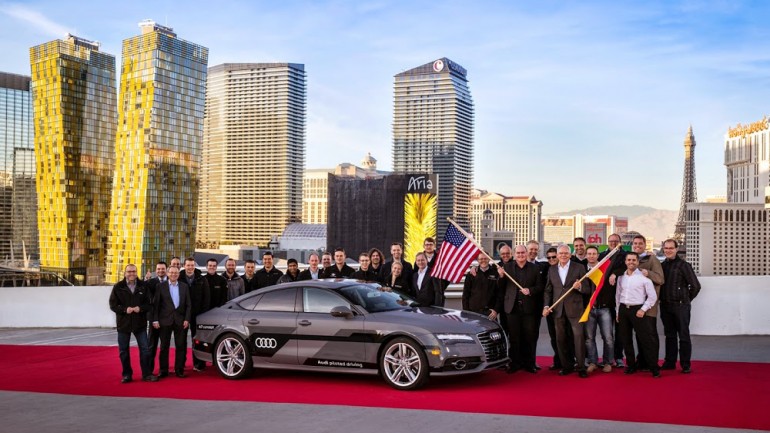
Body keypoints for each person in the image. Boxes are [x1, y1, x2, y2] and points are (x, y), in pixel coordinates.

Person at [543, 245, 591, 378]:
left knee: (578, 338)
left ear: (570, 255)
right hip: (558, 309)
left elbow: (587, 288)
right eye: (561, 253)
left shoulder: (579, 267)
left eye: (566, 253)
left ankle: (581, 367)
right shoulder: (552, 269)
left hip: (575, 309)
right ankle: (566, 366)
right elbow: (548, 290)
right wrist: (546, 306)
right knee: (560, 339)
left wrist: (580, 286)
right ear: (557, 255)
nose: (563, 255)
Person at [615, 252, 660, 378]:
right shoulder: (621, 278)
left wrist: (643, 309)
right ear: (625, 262)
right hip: (624, 310)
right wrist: (618, 311)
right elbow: (618, 296)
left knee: (645, 340)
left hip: (638, 310)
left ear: (638, 262)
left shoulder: (644, 278)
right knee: (626, 340)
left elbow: (652, 297)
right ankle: (631, 365)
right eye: (629, 260)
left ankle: (653, 367)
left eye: (634, 260)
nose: (631, 262)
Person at [109, 264, 156, 383]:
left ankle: (146, 374)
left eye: (134, 271)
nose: (131, 274)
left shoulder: (143, 286)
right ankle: (126, 375)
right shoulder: (118, 287)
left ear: (137, 272)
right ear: (125, 273)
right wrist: (125, 310)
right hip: (123, 324)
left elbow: (149, 304)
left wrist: (140, 308)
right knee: (123, 351)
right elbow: (113, 305)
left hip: (140, 324)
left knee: (145, 350)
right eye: (129, 271)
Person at [498, 246, 541, 373]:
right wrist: (501, 277)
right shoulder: (507, 268)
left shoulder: (535, 268)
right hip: (512, 308)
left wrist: (530, 290)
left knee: (529, 337)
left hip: (529, 308)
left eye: (523, 252)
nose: (521, 255)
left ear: (527, 254)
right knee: (514, 338)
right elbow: (501, 288)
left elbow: (540, 286)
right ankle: (515, 363)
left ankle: (530, 364)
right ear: (514, 254)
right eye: (518, 253)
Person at [660, 239, 701, 374]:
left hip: (681, 306)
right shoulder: (662, 266)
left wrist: (686, 299)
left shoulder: (684, 265)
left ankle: (685, 364)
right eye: (666, 248)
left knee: (683, 336)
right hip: (665, 306)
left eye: (671, 248)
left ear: (676, 249)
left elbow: (695, 286)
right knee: (669, 335)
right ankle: (670, 362)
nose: (668, 250)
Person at [152, 266, 191, 378]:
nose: (174, 274)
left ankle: (179, 370)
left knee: (180, 346)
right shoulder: (160, 286)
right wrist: (155, 320)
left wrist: (187, 319)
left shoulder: (184, 286)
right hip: (165, 321)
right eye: (172, 272)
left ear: (179, 274)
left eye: (176, 273)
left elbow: (188, 305)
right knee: (164, 347)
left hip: (180, 321)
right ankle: (163, 371)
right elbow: (156, 305)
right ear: (167, 274)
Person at [584, 246, 615, 373]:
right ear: (586, 255)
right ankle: (593, 361)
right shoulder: (581, 270)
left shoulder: (605, 268)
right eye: (589, 253)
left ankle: (608, 362)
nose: (591, 256)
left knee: (608, 337)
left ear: (598, 255)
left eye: (594, 253)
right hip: (589, 309)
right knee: (589, 338)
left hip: (604, 308)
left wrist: (614, 274)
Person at [600, 233, 628, 368]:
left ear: (620, 242)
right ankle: (607, 358)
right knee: (606, 333)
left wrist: (615, 273)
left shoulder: (625, 255)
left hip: (621, 298)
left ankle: (618, 357)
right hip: (606, 298)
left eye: (615, 241)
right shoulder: (602, 255)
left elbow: (627, 267)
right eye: (610, 241)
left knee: (620, 331)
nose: (613, 243)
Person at [181, 257, 210, 372]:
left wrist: (202, 314)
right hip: (182, 315)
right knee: (181, 340)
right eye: (188, 265)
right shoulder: (179, 278)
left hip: (197, 315)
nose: (190, 267)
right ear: (184, 266)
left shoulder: (202, 279)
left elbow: (206, 298)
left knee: (197, 340)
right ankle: (181, 364)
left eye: (192, 265)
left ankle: (199, 364)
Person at [526, 240, 548, 370]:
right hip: (518, 309)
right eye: (531, 249)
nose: (533, 251)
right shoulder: (515, 265)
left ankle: (531, 362)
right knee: (518, 337)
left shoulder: (542, 267)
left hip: (535, 308)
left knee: (533, 336)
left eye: (536, 249)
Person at [144, 261, 167, 376]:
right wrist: (154, 319)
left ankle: (163, 370)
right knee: (151, 346)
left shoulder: (172, 282)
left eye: (163, 269)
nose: (160, 271)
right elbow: (149, 302)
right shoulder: (150, 283)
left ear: (166, 270)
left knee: (164, 347)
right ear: (155, 270)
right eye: (158, 269)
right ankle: (149, 370)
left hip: (166, 319)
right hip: (153, 319)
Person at [462, 253, 499, 319]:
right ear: (478, 260)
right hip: (473, 312)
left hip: (490, 313)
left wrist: (496, 310)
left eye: (485, 258)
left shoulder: (495, 273)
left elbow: (499, 294)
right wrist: (466, 311)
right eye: (481, 259)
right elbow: (465, 294)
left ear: (489, 259)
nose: (483, 260)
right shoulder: (471, 274)